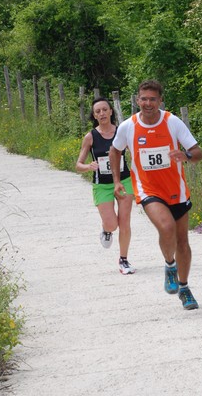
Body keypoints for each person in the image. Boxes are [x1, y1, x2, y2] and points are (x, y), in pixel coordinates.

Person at [109, 79, 202, 310]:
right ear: (137, 100)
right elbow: (114, 150)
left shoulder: (172, 122)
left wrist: (186, 157)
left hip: (177, 190)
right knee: (166, 227)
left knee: (183, 243)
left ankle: (184, 287)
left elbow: (198, 152)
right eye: (144, 99)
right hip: (147, 189)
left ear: (160, 101)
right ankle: (169, 265)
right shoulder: (128, 127)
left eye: (153, 99)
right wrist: (116, 181)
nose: (148, 103)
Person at [76, 97, 135, 275]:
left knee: (125, 223)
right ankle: (106, 229)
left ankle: (123, 260)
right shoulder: (90, 137)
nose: (101, 113)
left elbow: (134, 153)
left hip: (124, 181)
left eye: (104, 110)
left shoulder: (121, 132)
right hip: (102, 185)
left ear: (111, 111)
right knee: (112, 225)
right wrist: (88, 166)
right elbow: (78, 164)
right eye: (97, 111)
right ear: (94, 116)